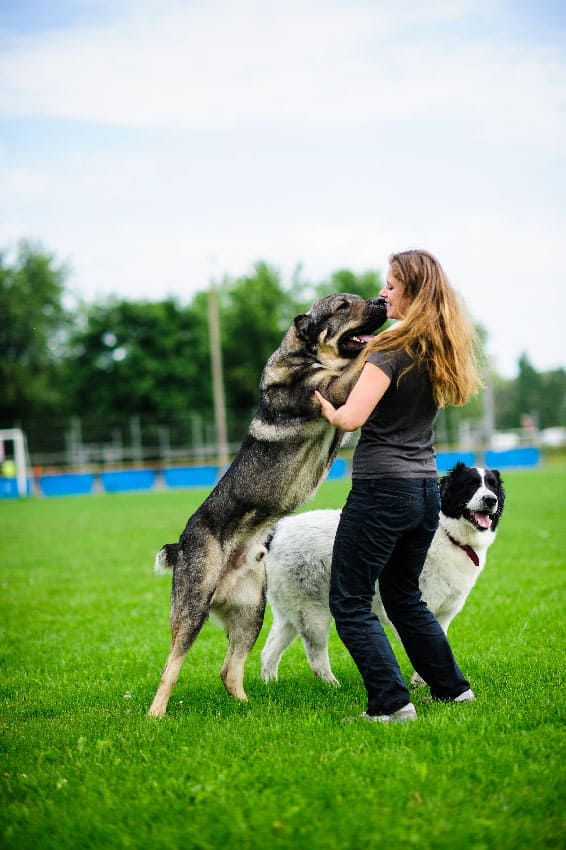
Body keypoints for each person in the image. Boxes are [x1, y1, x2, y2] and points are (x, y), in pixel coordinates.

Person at [314, 249, 481, 723]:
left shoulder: (390, 348)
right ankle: (452, 691)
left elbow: (351, 417)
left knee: (348, 598)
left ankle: (391, 704)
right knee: (403, 596)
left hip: (381, 490)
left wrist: (325, 406)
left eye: (391, 284)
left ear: (412, 289)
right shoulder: (436, 348)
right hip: (424, 492)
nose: (383, 292)